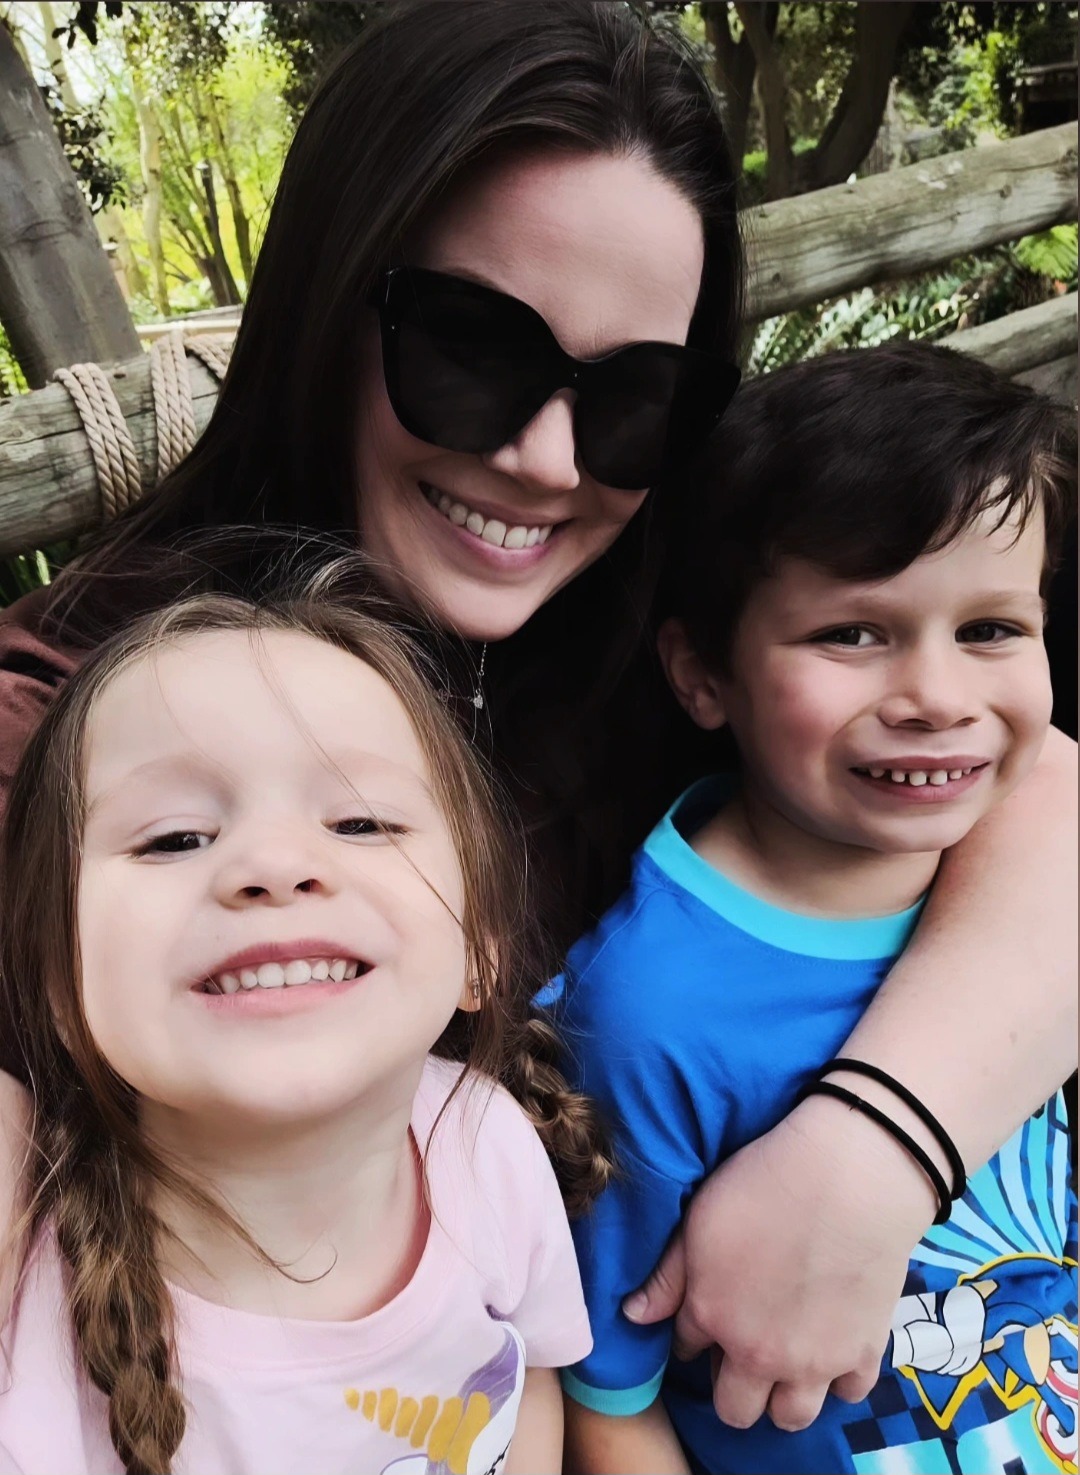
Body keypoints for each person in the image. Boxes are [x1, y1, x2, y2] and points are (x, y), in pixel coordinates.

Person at [0, 0, 1073, 1430]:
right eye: (472, 350)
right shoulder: (69, 731)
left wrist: (877, 1147)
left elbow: (1042, 792)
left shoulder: (670, 624)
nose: (550, 458)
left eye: (636, 398)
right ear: (326, 304)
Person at [557, 344, 1078, 1475]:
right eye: (852, 633)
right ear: (702, 675)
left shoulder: (1019, 871)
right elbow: (606, 1397)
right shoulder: (643, 1015)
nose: (938, 697)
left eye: (991, 629)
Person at [0, 558, 618, 1475]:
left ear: (479, 945)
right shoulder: (35, 1326)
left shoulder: (491, 1147)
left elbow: (525, 1378)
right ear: (58, 977)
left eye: (362, 822)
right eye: (175, 836)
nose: (276, 864)